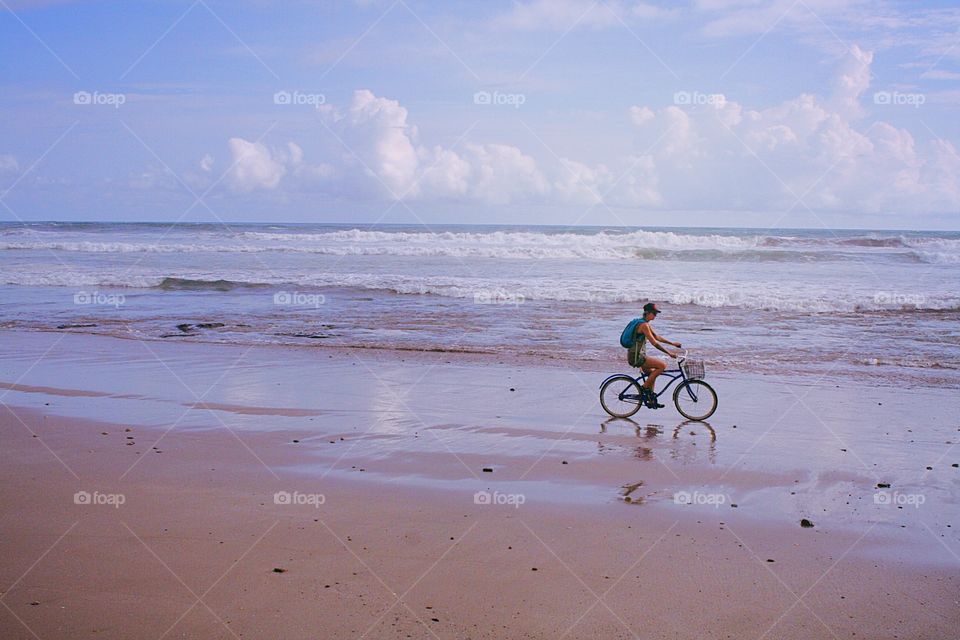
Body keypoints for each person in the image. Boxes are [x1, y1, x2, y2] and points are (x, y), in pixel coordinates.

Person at [627, 302, 681, 408]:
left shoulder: (644, 323)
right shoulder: (643, 325)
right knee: (662, 366)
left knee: (652, 374)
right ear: (647, 313)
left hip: (636, 355)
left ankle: (651, 399)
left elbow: (657, 336)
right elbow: (654, 343)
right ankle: (643, 388)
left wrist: (672, 343)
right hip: (637, 357)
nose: (655, 316)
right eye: (654, 313)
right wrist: (669, 353)